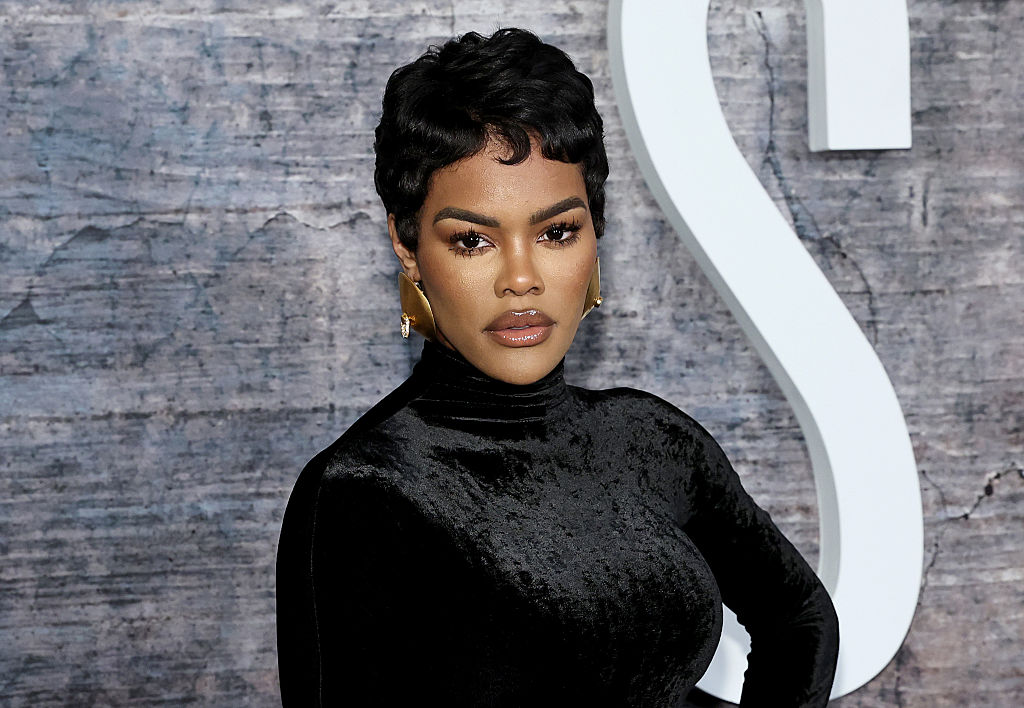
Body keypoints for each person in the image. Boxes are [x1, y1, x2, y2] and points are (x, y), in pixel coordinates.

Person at [276, 27, 839, 707]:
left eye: (556, 232)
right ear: (407, 245)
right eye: (473, 240)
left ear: (595, 233)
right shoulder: (362, 491)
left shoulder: (651, 438)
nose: (521, 278)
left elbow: (800, 619)